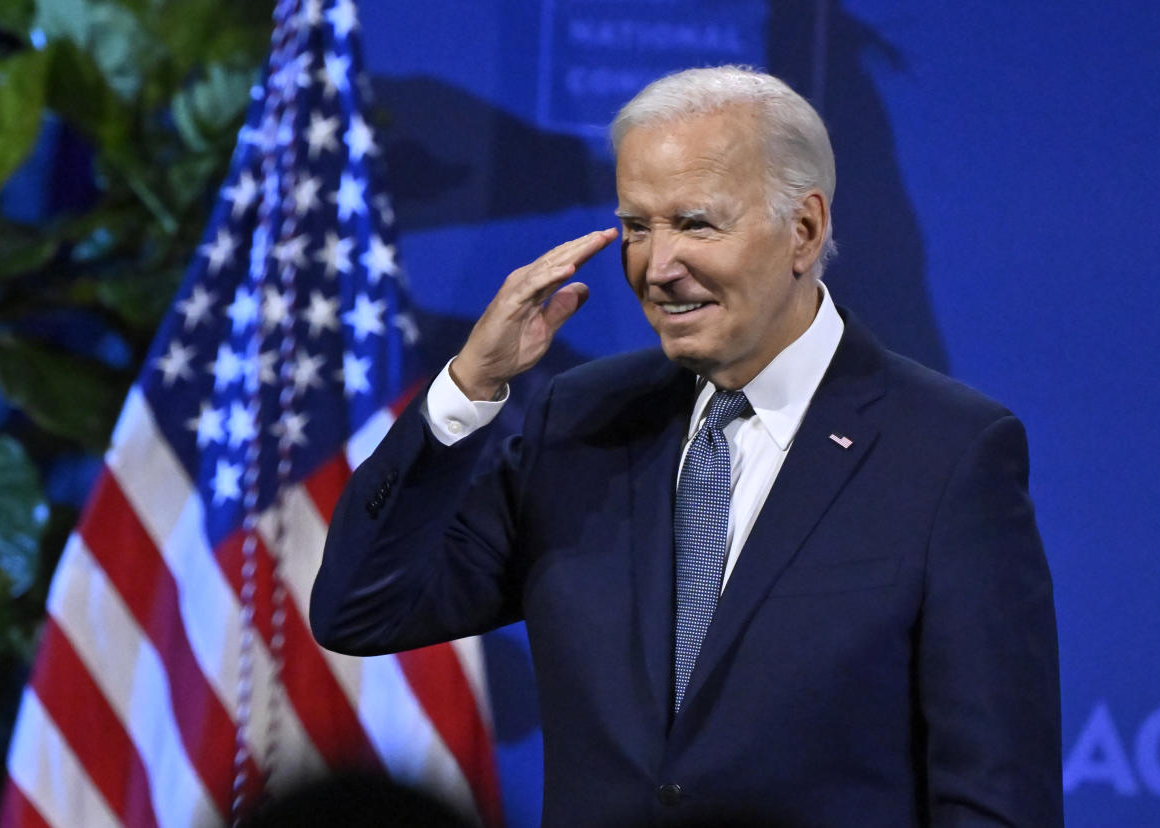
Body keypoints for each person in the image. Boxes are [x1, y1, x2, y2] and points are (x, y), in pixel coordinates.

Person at [310, 65, 1061, 827]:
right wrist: (467, 388)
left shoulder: (948, 453)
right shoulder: (579, 421)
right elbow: (362, 611)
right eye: (638, 226)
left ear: (803, 230)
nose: (657, 268)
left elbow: (995, 799)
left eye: (696, 224)